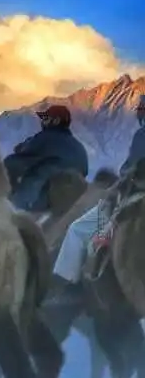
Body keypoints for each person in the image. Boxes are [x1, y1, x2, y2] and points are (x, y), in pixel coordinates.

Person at [44, 94, 145, 318]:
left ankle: (69, 287)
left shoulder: (141, 135)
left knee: (78, 230)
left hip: (135, 196)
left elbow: (129, 169)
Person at [3, 104, 89, 212]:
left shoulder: (47, 137)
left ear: (56, 121)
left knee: (14, 163)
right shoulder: (79, 146)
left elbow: (24, 150)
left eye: (46, 118)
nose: (42, 121)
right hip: (75, 193)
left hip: (49, 195)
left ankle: (15, 206)